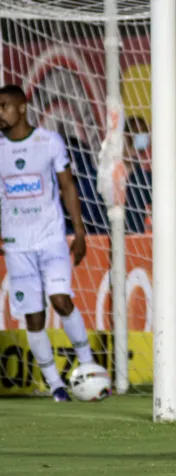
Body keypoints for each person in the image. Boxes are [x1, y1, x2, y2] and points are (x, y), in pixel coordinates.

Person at [0, 84, 95, 401]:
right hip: (16, 244)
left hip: (51, 238)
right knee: (34, 317)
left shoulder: (49, 142)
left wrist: (79, 232)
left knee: (60, 300)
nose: (0, 114)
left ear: (22, 107)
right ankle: (55, 384)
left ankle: (89, 367)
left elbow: (68, 186)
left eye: (4, 106)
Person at [123, 115, 153, 233]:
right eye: (137, 132)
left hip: (136, 235)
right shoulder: (108, 171)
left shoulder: (145, 178)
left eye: (144, 132)